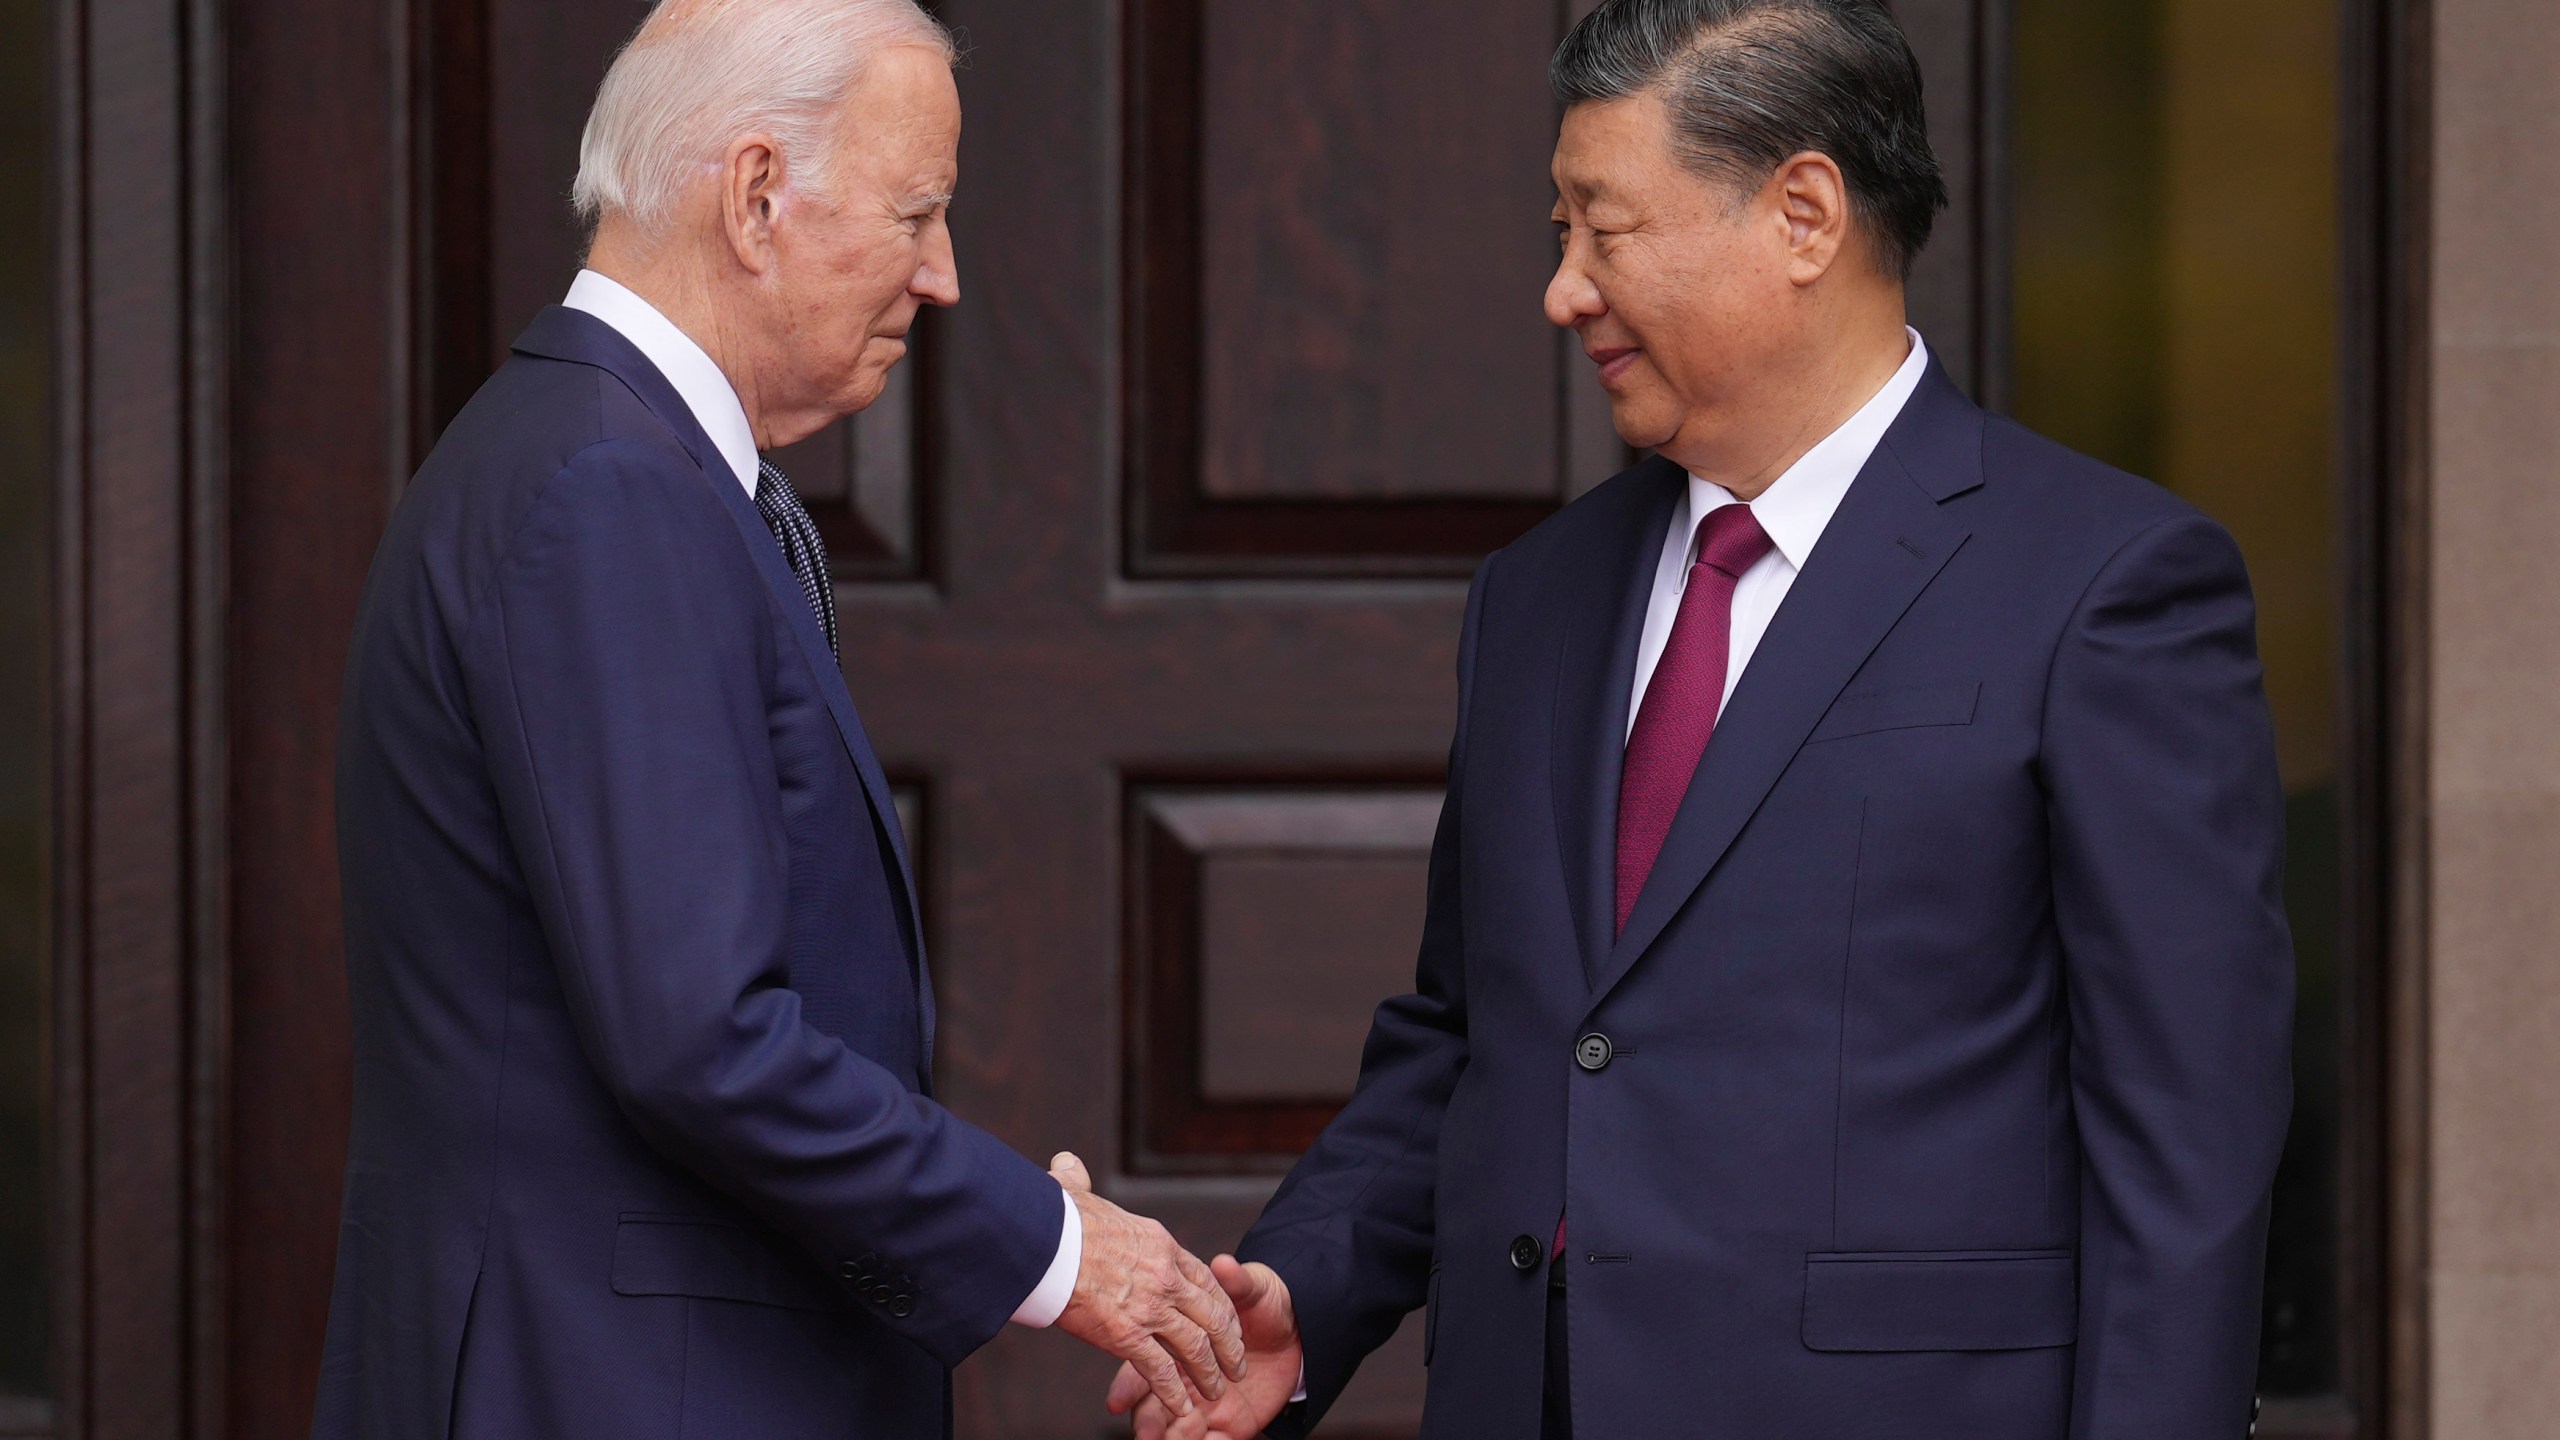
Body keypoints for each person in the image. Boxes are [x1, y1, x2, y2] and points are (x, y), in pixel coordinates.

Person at [1108, 1, 2294, 1436]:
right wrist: (1308, 1288)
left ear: (1804, 215)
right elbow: (1476, 1035)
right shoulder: (1538, 597)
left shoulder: (2102, 582)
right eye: (1561, 233)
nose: (1564, 290)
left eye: (1605, 232)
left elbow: (2187, 1135)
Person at [314, 3, 1244, 1436]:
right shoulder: (610, 491)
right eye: (916, 212)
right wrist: (1056, 1248)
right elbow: (699, 1038)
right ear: (755, 196)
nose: (942, 274)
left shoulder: (590, 455)